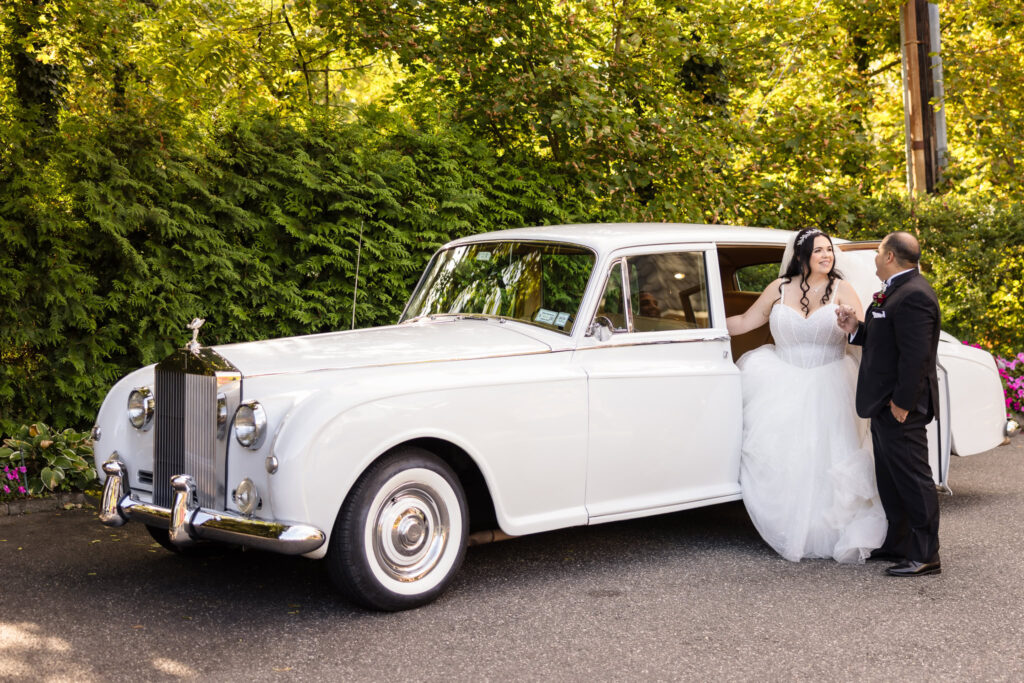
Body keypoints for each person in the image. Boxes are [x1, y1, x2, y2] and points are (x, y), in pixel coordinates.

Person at [726, 227, 886, 563]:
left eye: (829, 250)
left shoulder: (844, 289)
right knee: (785, 456)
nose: (827, 256)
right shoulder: (778, 288)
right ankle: (788, 521)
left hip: (831, 379)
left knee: (827, 454)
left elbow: (863, 333)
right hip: (779, 379)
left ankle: (827, 528)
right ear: (802, 256)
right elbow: (744, 321)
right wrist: (705, 329)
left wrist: (851, 324)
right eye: (819, 251)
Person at [836, 231, 942, 577]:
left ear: (891, 257)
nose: (875, 258)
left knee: (913, 479)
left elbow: (916, 357)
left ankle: (926, 554)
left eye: (879, 252)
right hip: (882, 403)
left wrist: (902, 403)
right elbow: (886, 340)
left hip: (900, 407)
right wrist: (856, 328)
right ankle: (898, 543)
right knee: (891, 479)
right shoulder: (894, 291)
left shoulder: (914, 295)